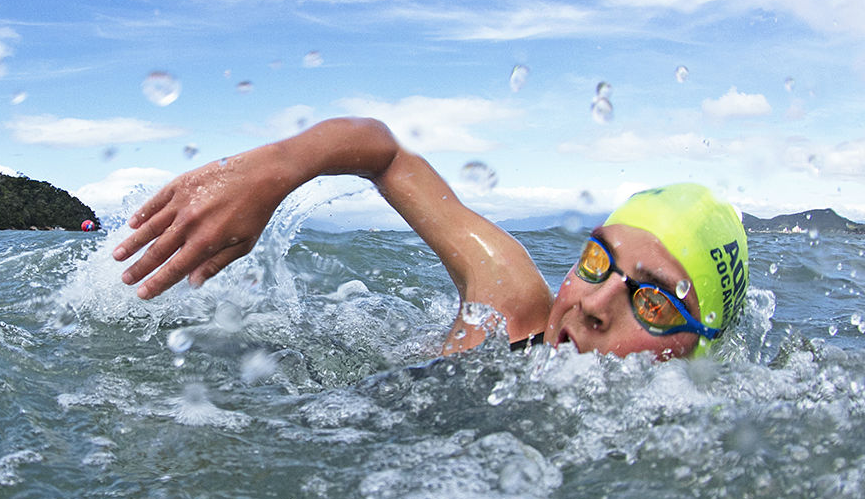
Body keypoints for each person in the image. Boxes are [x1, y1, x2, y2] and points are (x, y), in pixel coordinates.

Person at [112, 118, 748, 359]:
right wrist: (273, 169)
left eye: (653, 301)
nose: (594, 304)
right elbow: (385, 153)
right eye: (595, 260)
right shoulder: (507, 312)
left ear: (699, 347)